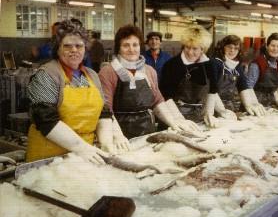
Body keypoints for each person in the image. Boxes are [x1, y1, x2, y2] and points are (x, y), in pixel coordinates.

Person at [27, 20, 130, 164]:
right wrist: (81, 148)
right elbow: (45, 120)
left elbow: (104, 112)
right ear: (57, 49)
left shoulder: (92, 75)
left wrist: (107, 144)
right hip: (50, 158)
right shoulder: (46, 74)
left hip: (84, 157)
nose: (74, 50)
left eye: (79, 46)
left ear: (85, 49)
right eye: (67, 46)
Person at [99, 25, 200, 139]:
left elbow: (157, 101)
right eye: (126, 45)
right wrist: (117, 135)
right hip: (122, 135)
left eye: (135, 45)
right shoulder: (108, 72)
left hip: (148, 133)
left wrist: (174, 123)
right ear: (118, 48)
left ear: (140, 46)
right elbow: (106, 109)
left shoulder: (149, 71)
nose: (131, 49)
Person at [160, 26, 237, 127]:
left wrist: (211, 113)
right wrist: (179, 119)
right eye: (187, 47)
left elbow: (212, 92)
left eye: (195, 48)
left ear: (202, 49)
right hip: (175, 116)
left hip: (200, 116)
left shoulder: (210, 64)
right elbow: (166, 97)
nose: (190, 52)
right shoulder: (171, 65)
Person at [245, 32, 278, 112]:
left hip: (270, 105)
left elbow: (273, 88)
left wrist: (277, 100)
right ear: (267, 46)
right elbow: (248, 87)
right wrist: (254, 104)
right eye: (272, 46)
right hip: (254, 105)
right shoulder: (257, 63)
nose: (275, 49)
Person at [212, 35, 254, 113]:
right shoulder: (215, 63)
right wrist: (222, 111)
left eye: (236, 48)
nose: (232, 50)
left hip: (229, 106)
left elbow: (243, 86)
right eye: (229, 47)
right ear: (223, 47)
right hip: (214, 106)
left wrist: (249, 105)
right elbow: (211, 91)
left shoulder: (237, 65)